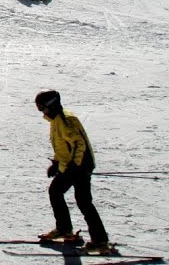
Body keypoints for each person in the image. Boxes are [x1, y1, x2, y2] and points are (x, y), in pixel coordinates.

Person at [34, 90, 113, 255]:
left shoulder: (66, 120)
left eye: (42, 108)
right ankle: (66, 229)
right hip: (72, 165)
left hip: (79, 165)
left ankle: (99, 240)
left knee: (80, 200)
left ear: (52, 105)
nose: (41, 112)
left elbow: (79, 144)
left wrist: (74, 165)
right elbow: (62, 145)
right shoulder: (56, 119)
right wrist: (56, 162)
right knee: (59, 193)